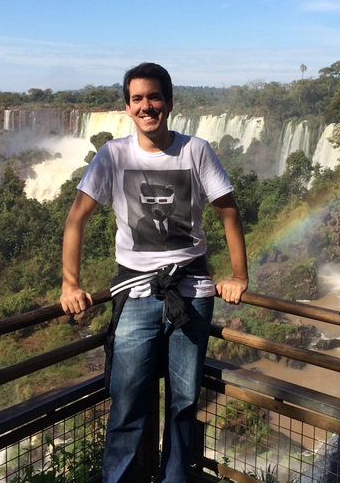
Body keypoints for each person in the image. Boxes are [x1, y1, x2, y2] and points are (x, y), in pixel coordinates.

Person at [60, 62, 248, 483]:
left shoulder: (195, 150)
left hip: (193, 291)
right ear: (128, 107)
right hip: (136, 294)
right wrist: (70, 284)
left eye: (155, 97)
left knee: (183, 403)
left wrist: (239, 277)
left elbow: (229, 213)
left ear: (169, 101)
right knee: (127, 404)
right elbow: (76, 218)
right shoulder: (114, 155)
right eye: (138, 99)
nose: (147, 106)